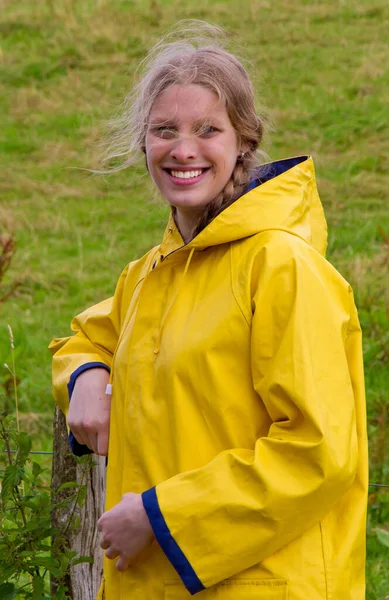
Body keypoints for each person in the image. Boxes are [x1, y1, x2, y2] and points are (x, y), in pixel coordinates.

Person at [50, 22, 368, 600]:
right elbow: (88, 337)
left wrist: (159, 518)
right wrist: (86, 377)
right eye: (163, 130)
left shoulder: (281, 267)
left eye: (208, 130)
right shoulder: (152, 273)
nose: (183, 148)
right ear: (143, 144)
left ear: (244, 140)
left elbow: (319, 451)